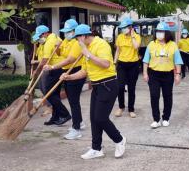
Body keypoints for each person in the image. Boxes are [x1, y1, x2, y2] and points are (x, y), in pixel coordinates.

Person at [61, 24, 126, 160]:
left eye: (77, 38)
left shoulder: (100, 44)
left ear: (84, 36)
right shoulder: (86, 49)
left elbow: (106, 64)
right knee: (94, 119)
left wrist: (88, 54)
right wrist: (69, 77)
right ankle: (96, 148)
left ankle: (119, 140)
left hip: (107, 84)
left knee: (101, 118)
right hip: (96, 86)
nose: (77, 41)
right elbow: (84, 71)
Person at [47, 19, 86, 140]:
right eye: (65, 32)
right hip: (67, 71)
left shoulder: (76, 43)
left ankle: (76, 129)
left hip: (75, 71)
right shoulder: (66, 40)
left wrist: (53, 66)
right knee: (72, 100)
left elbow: (70, 59)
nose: (66, 34)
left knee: (74, 101)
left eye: (69, 31)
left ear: (75, 32)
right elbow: (59, 53)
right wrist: (57, 46)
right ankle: (79, 122)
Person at [143, 22, 183, 129]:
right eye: (158, 32)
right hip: (154, 74)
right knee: (154, 96)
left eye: (161, 32)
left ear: (166, 33)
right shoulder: (151, 44)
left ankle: (166, 118)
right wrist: (145, 73)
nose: (159, 34)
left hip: (168, 74)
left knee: (167, 96)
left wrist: (178, 74)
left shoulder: (173, 45)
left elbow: (177, 61)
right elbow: (146, 60)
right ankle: (156, 119)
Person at [32, 25, 71, 126]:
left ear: (45, 34)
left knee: (48, 92)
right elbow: (41, 57)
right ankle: (56, 116)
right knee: (54, 94)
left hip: (55, 69)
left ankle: (65, 114)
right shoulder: (46, 41)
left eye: (40, 36)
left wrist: (36, 71)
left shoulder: (50, 41)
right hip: (52, 68)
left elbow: (45, 60)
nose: (39, 39)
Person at [113, 18, 141, 118]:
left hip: (133, 65)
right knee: (120, 87)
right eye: (122, 28)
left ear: (130, 27)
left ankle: (131, 109)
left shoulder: (137, 37)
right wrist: (114, 62)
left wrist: (132, 36)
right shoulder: (120, 37)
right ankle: (121, 107)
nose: (123, 29)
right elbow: (118, 51)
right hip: (121, 64)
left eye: (125, 27)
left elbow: (136, 46)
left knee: (131, 88)